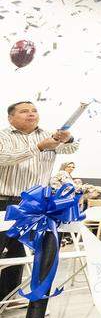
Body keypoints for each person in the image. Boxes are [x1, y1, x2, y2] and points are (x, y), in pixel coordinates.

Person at [0, 101, 79, 301]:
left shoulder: (49, 136)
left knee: (20, 252)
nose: (31, 114)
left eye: (34, 110)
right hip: (4, 202)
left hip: (34, 206)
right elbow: (5, 158)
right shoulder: (3, 136)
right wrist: (39, 147)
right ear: (11, 118)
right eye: (24, 111)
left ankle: (7, 297)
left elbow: (72, 149)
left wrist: (67, 139)